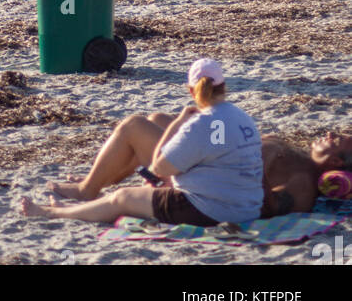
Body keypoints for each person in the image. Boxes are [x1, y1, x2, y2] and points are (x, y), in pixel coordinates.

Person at [31, 83, 352, 221]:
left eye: (337, 139)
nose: (329, 133)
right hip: (213, 160)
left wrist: (255, 164)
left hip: (208, 175)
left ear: (336, 162)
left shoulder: (303, 182)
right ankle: (99, 182)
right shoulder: (297, 157)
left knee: (134, 127)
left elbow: (266, 207)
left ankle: (89, 189)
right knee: (157, 120)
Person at [21, 58, 263, 227]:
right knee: (154, 122)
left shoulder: (199, 124)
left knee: (122, 198)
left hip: (210, 210)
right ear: (224, 87)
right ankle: (94, 186)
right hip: (247, 206)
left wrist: (178, 124)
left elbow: (158, 168)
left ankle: (50, 212)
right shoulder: (242, 117)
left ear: (192, 92)